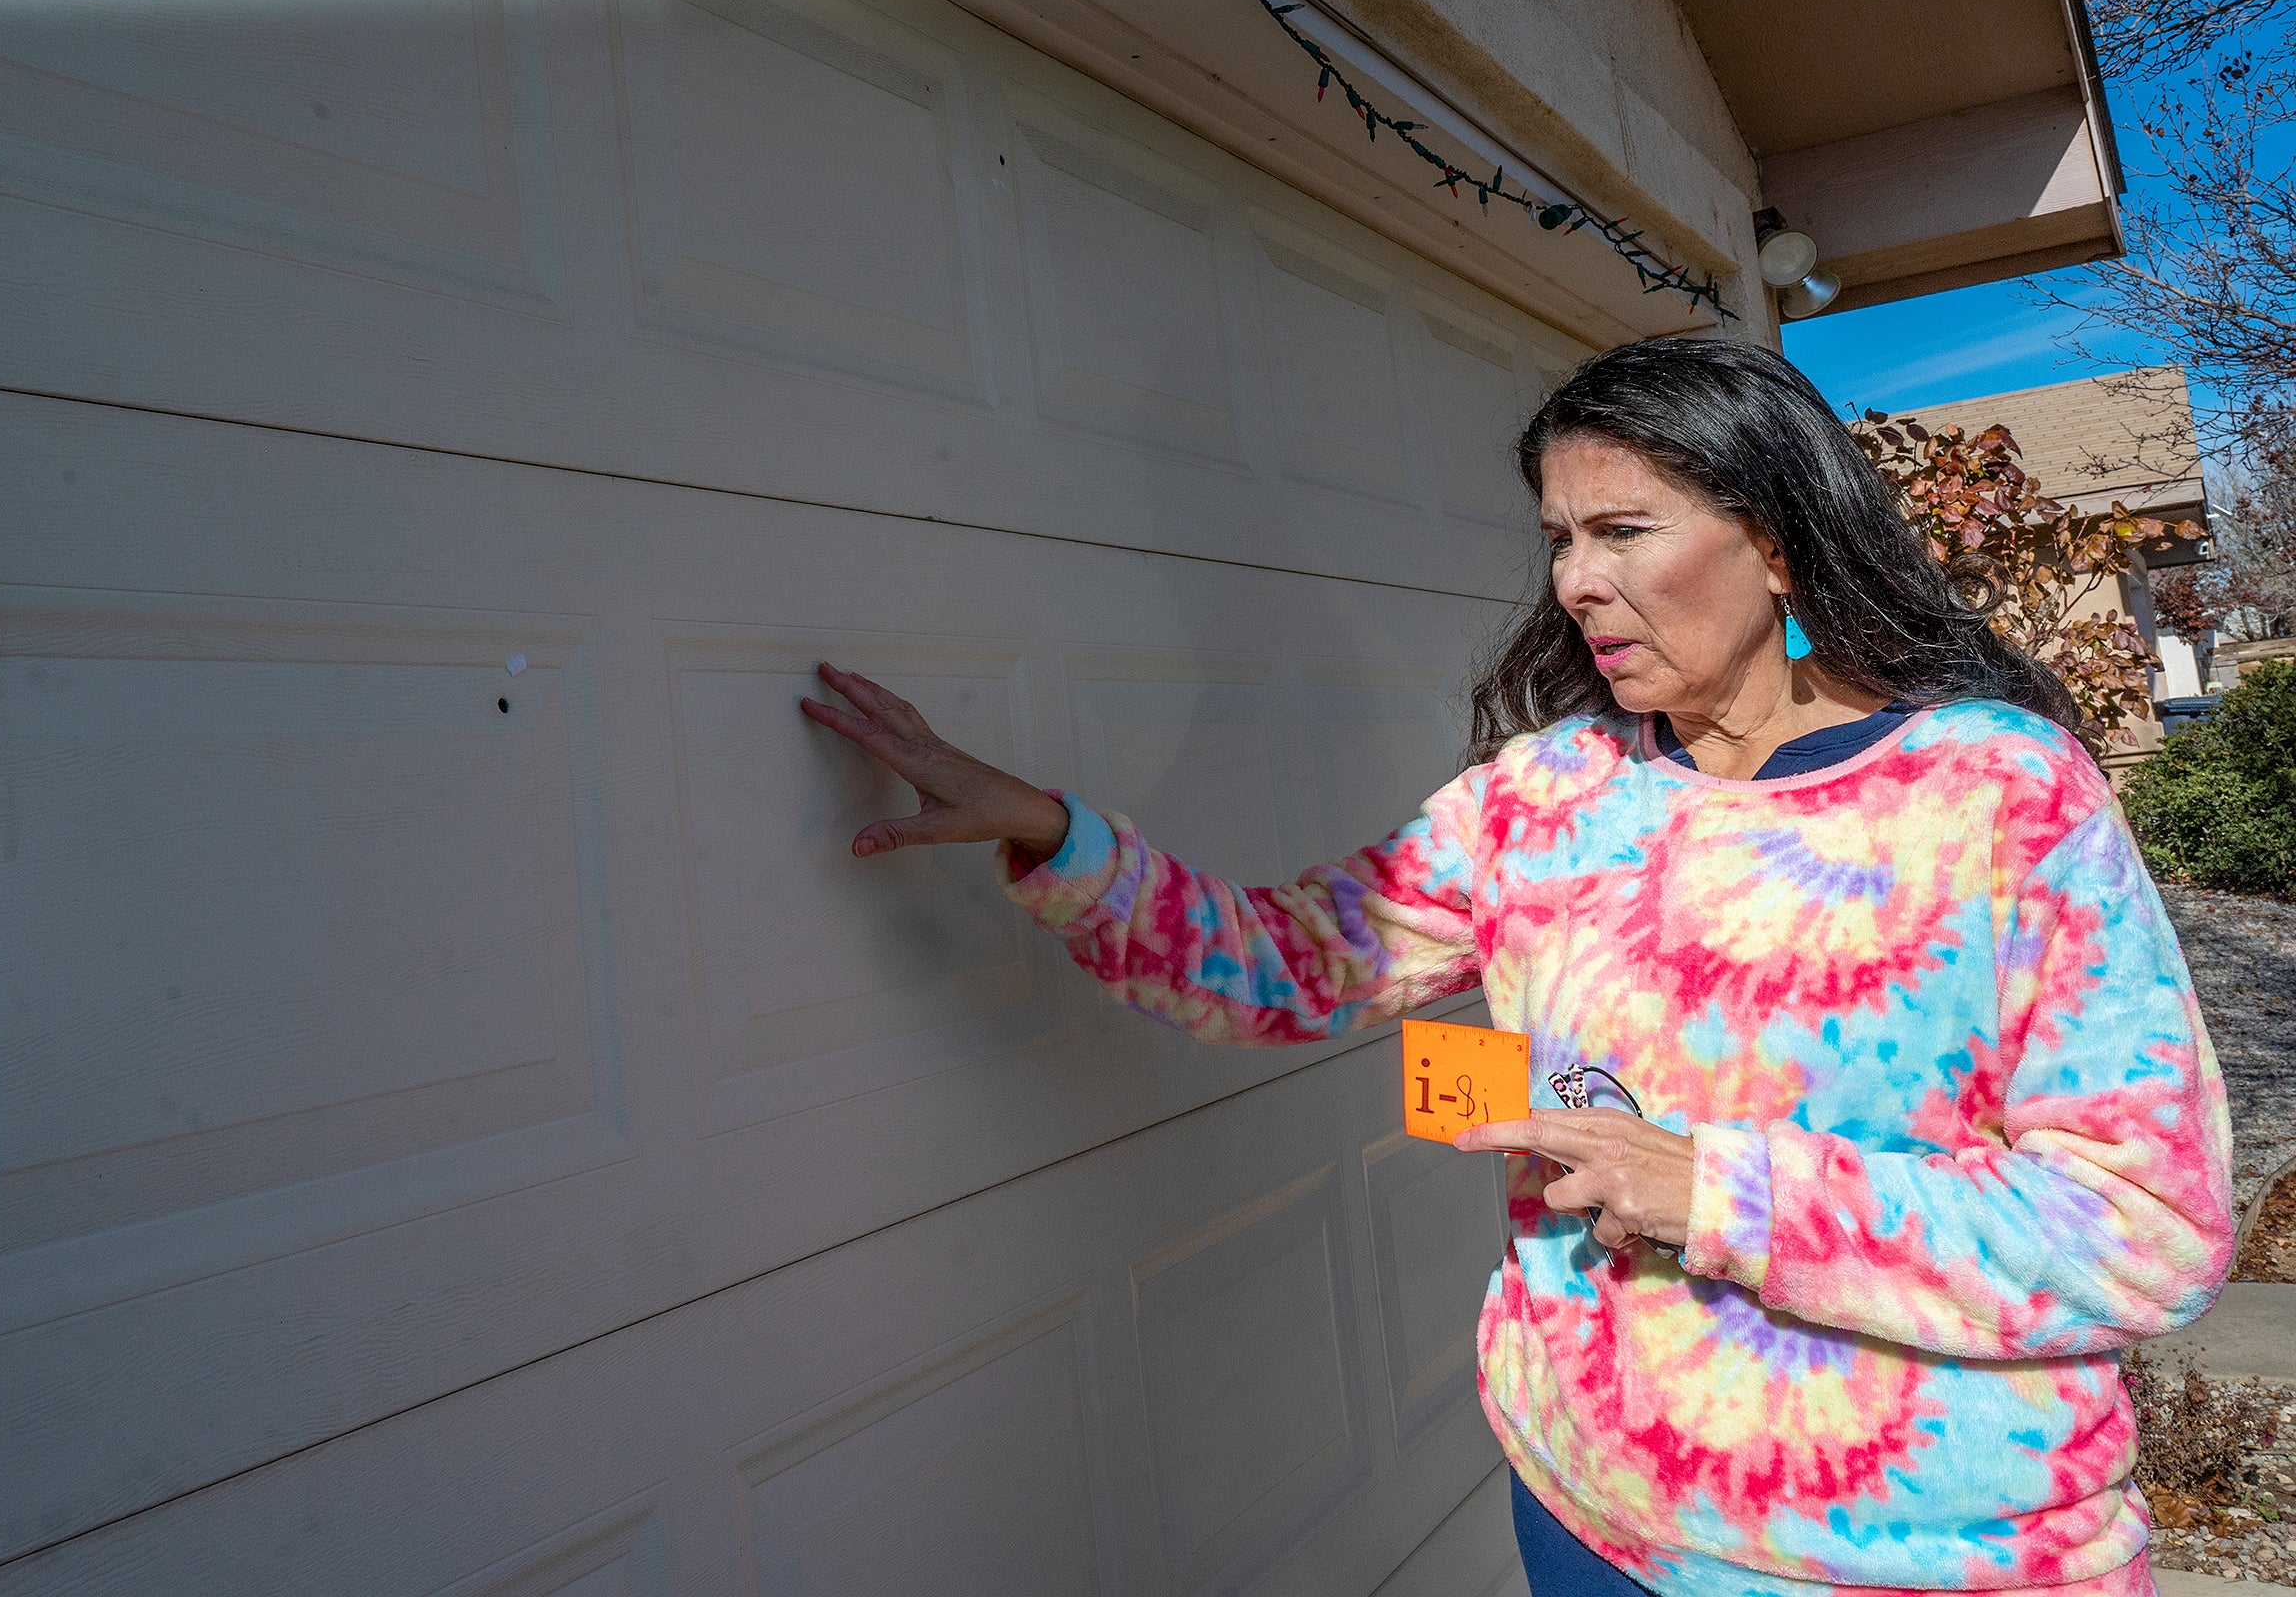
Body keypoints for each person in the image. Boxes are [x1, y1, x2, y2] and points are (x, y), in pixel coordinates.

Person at [799, 338, 2234, 1597]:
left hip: (1918, 1559)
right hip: (1583, 1513)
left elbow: (2142, 1227)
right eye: (1559, 539)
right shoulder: (1539, 798)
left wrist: (1713, 1188)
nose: (1579, 583)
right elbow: (1291, 965)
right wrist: (1056, 836)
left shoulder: (1996, 794)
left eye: (1623, 531)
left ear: (1780, 539)